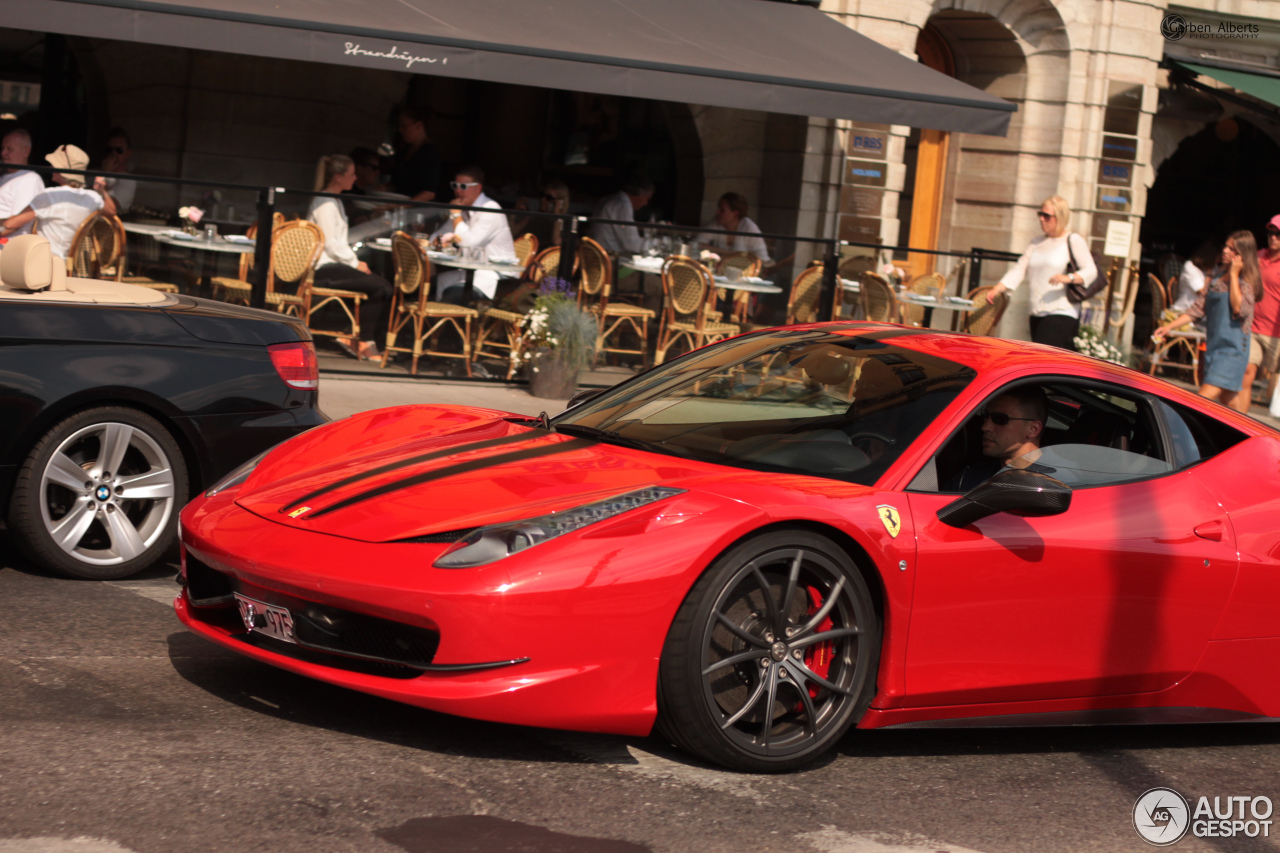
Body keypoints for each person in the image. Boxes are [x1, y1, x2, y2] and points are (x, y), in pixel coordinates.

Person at [1154, 230, 1262, 412]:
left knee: (1201, 399)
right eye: (1226, 247)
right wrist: (1169, 327)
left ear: (1242, 254)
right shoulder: (1217, 278)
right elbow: (1197, 309)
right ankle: (1248, 434)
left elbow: (1239, 308)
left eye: (1232, 248)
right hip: (1214, 348)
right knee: (1230, 400)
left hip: (1232, 351)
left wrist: (1234, 275)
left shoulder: (1246, 282)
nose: (1225, 251)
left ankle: (1177, 430)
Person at [308, 154, 393, 361]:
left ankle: (354, 336)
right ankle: (363, 341)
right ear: (338, 177)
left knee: (381, 284)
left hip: (334, 263)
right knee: (382, 286)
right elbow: (330, 244)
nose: (355, 178)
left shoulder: (334, 201)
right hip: (323, 267)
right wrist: (355, 263)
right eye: (352, 174)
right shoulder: (326, 204)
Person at [986, 195, 1096, 350]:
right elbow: (1019, 268)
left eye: (1047, 216)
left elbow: (1091, 270)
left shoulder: (1073, 240)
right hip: (1037, 311)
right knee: (1044, 362)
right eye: (1040, 215)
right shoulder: (1036, 242)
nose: (1042, 219)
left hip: (1061, 311)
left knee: (1046, 359)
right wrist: (997, 288)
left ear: (1060, 217)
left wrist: (1067, 277)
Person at [1, 144, 115, 259]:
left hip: (44, 262)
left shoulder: (51, 196)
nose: (50, 166)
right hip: (71, 265)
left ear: (61, 170)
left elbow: (11, 225)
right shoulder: (91, 197)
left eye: (54, 164)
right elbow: (112, 211)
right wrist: (102, 191)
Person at [429, 165, 517, 302]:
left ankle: (456, 322)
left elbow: (468, 243)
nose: (458, 191)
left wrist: (456, 213)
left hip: (498, 276)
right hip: (473, 272)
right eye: (455, 186)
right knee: (437, 282)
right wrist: (439, 240)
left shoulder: (490, 209)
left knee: (451, 293)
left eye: (463, 186)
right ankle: (442, 321)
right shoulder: (463, 210)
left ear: (477, 188)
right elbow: (436, 236)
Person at [945, 387, 1047, 491]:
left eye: (1000, 419)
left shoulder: (1055, 486)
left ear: (1033, 429)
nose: (985, 427)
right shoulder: (968, 479)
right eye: (985, 416)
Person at [1240, 216, 1280, 408]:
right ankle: (1241, 424)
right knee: (1247, 374)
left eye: (1278, 234)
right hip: (1253, 327)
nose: (1273, 237)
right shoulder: (1258, 256)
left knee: (1275, 390)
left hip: (1276, 334)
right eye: (1270, 233)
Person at [586, 177, 653, 255]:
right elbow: (632, 244)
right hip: (609, 256)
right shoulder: (622, 205)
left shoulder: (609, 199)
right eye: (647, 198)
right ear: (640, 194)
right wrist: (656, 245)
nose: (646, 203)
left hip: (600, 252)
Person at [0, 129, 47, 236]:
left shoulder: (29, 179)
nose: (3, 153)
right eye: (2, 148)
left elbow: (16, 223)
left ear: (25, 152)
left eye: (9, 149)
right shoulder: (4, 176)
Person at [388, 106, 439, 204]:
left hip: (417, 211)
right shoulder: (405, 150)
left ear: (419, 125)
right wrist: (386, 187)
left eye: (404, 125)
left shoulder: (429, 153)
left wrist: (400, 206)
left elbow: (429, 192)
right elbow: (398, 182)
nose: (400, 130)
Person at [701, 192, 770, 261]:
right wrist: (726, 253)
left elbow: (763, 258)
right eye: (718, 208)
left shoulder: (749, 228)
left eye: (722, 210)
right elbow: (697, 243)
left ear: (735, 213)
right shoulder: (716, 223)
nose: (717, 212)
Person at [511, 179, 569, 248]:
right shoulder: (534, 215)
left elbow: (556, 241)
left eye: (548, 198)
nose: (543, 199)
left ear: (560, 202)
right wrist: (514, 212)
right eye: (542, 195)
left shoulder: (562, 221)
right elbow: (513, 233)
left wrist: (557, 215)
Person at [1169, 241, 1216, 318]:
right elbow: (1202, 293)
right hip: (1185, 311)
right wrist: (1209, 275)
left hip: (1203, 314)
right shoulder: (1190, 267)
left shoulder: (1215, 268)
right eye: (1218, 258)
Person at [99, 127, 136, 212]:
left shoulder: (128, 181)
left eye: (119, 150)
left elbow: (110, 206)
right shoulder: (92, 173)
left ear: (128, 153)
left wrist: (106, 174)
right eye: (109, 150)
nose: (113, 154)